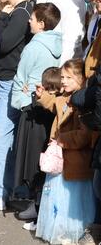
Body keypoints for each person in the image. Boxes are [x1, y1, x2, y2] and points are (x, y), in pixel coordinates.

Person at [0, 0, 34, 211]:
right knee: (9, 137)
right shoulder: (21, 11)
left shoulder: (20, 13)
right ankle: (6, 189)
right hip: (10, 81)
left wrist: (2, 18)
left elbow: (4, 44)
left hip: (13, 82)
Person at [35, 59, 98, 244]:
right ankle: (60, 229)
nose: (63, 81)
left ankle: (73, 231)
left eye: (69, 78)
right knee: (58, 199)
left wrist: (62, 139)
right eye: (62, 77)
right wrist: (43, 96)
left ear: (81, 79)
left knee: (73, 202)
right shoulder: (64, 97)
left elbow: (85, 135)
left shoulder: (83, 104)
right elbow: (54, 104)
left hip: (75, 162)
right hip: (61, 159)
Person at [11, 3, 62, 216]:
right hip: (48, 103)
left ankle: (33, 203)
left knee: (31, 157)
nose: (28, 21)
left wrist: (20, 98)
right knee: (43, 153)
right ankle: (39, 202)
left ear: (41, 24)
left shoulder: (33, 47)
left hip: (32, 103)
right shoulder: (58, 44)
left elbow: (21, 76)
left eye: (32, 18)